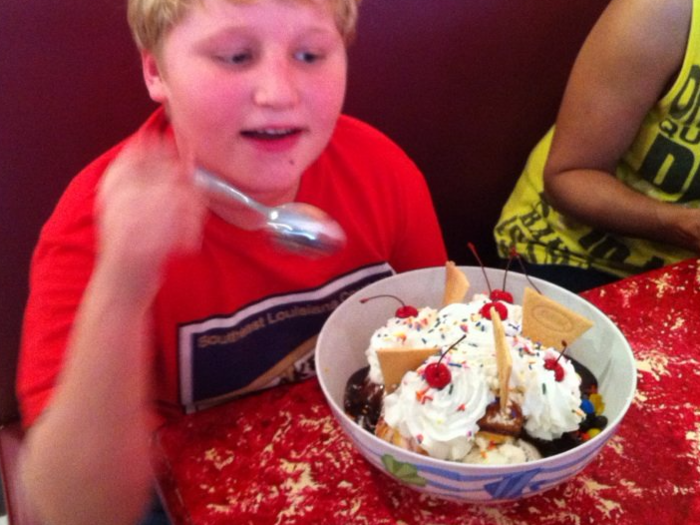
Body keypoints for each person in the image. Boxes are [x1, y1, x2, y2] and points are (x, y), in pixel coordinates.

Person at [16, 0, 447, 523]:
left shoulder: (383, 172)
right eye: (236, 56)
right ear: (156, 70)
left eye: (310, 54)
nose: (280, 93)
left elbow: (444, 339)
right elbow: (75, 510)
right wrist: (124, 282)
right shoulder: (94, 229)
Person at [494, 0, 699, 292]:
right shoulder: (662, 10)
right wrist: (682, 225)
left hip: (683, 273)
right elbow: (570, 176)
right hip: (572, 255)